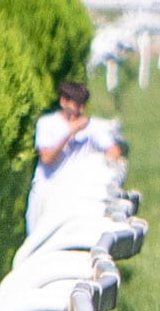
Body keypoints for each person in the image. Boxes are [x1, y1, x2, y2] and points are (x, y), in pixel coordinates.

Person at [30, 79, 126, 228]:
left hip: (71, 195)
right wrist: (70, 132)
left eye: (82, 106)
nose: (79, 111)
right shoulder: (46, 123)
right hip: (46, 191)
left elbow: (114, 151)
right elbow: (46, 157)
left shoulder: (90, 127)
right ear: (63, 101)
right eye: (76, 105)